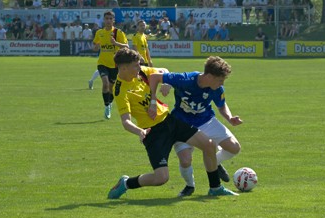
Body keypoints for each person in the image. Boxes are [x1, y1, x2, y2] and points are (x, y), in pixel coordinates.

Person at [107, 48, 238, 199]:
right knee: (161, 178)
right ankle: (126, 183)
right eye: (136, 65)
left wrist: (164, 87)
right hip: (153, 132)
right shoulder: (120, 90)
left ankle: (215, 187)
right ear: (123, 68)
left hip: (171, 121)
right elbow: (126, 122)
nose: (140, 67)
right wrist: (139, 132)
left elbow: (163, 71)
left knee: (208, 144)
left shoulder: (142, 72)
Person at [148, 56, 242, 197]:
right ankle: (189, 186)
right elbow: (154, 77)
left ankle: (215, 163)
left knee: (234, 147)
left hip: (206, 121)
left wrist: (229, 117)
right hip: (182, 124)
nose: (222, 83)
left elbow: (221, 106)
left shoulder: (217, 89)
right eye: (220, 80)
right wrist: (153, 101)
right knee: (185, 161)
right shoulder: (185, 80)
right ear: (209, 76)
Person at [92, 11, 129, 119]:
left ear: (113, 20)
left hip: (115, 65)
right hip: (102, 63)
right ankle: (107, 105)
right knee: (105, 83)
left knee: (111, 89)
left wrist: (116, 44)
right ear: (104, 20)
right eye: (106, 18)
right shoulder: (99, 32)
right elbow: (95, 45)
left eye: (110, 19)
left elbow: (126, 46)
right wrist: (95, 47)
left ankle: (109, 103)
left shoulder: (118, 32)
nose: (108, 21)